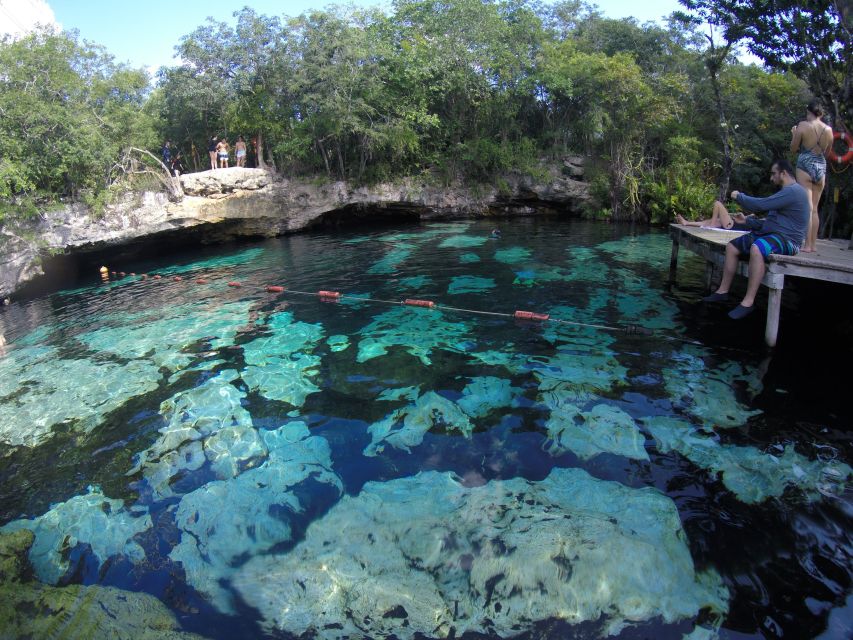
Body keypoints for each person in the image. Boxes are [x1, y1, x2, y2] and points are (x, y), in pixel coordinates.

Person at [701, 159, 809, 320]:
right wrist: (746, 222)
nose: (771, 178)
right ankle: (722, 291)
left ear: (784, 173)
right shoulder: (784, 194)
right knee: (732, 246)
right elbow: (768, 223)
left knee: (757, 248)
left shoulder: (794, 191)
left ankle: (748, 301)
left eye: (773, 174)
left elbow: (761, 205)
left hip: (789, 240)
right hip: (773, 235)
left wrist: (739, 196)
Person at [790, 99, 832, 252]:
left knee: (807, 208)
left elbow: (793, 149)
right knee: (815, 209)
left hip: (805, 165)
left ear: (809, 112)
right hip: (821, 166)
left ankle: (806, 246)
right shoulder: (828, 129)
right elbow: (827, 152)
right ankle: (813, 245)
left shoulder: (802, 125)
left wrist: (794, 134)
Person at [676, 201, 757, 231]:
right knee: (706, 222)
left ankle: (712, 225)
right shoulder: (752, 221)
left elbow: (750, 218)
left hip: (732, 225)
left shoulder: (754, 220)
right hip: (731, 224)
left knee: (717, 203)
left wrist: (746, 217)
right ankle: (686, 223)